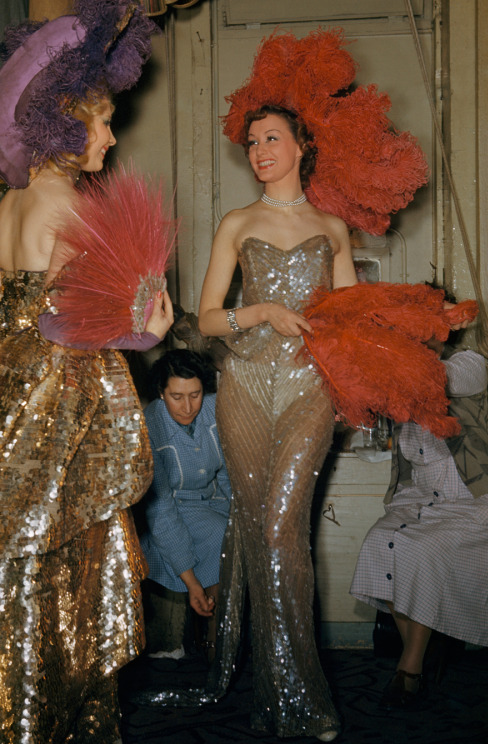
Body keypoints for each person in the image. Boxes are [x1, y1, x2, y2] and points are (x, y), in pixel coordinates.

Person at [194, 28, 429, 742]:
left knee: (279, 527)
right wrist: (259, 311)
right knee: (259, 522)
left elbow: (351, 321)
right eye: (253, 142)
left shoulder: (333, 227)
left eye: (272, 139)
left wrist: (365, 366)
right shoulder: (237, 222)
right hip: (241, 382)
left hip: (308, 389)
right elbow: (206, 318)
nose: (261, 151)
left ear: (302, 146)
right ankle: (267, 678)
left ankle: (296, 695)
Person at [0, 3, 174, 742]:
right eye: (100, 121)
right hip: (56, 408)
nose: (110, 135)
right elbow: (61, 325)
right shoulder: (69, 203)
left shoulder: (10, 201)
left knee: (18, 564)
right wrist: (146, 334)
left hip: (8, 393)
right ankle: (42, 714)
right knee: (54, 566)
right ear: (63, 124)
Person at [350, 338, 488, 710]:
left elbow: (435, 377)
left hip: (472, 500)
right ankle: (422, 648)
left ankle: (410, 668)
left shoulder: (468, 365)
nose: (413, 337)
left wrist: (389, 363)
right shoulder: (397, 377)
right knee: (378, 543)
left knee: (419, 550)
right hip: (419, 498)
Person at [139, 349, 231, 661]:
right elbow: (160, 508)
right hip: (173, 509)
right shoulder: (150, 425)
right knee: (220, 535)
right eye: (176, 396)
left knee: (242, 533)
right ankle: (216, 642)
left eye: (196, 394)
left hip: (216, 499)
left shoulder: (217, 408)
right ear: (160, 393)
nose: (188, 406)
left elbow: (232, 473)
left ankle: (223, 636)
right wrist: (192, 585)